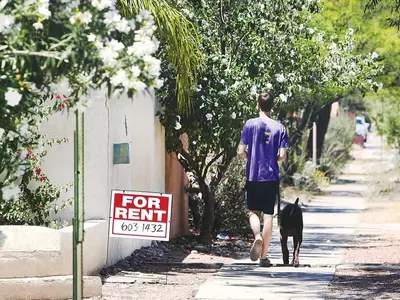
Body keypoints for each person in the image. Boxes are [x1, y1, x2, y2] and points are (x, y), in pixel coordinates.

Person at [238, 92, 288, 267]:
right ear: (273, 106)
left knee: (253, 212)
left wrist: (251, 159)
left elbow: (241, 151)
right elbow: (282, 155)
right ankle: (264, 257)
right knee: (268, 216)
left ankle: (257, 236)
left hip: (253, 176)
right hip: (271, 176)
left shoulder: (249, 124)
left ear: (258, 106)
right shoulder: (280, 128)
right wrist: (272, 159)